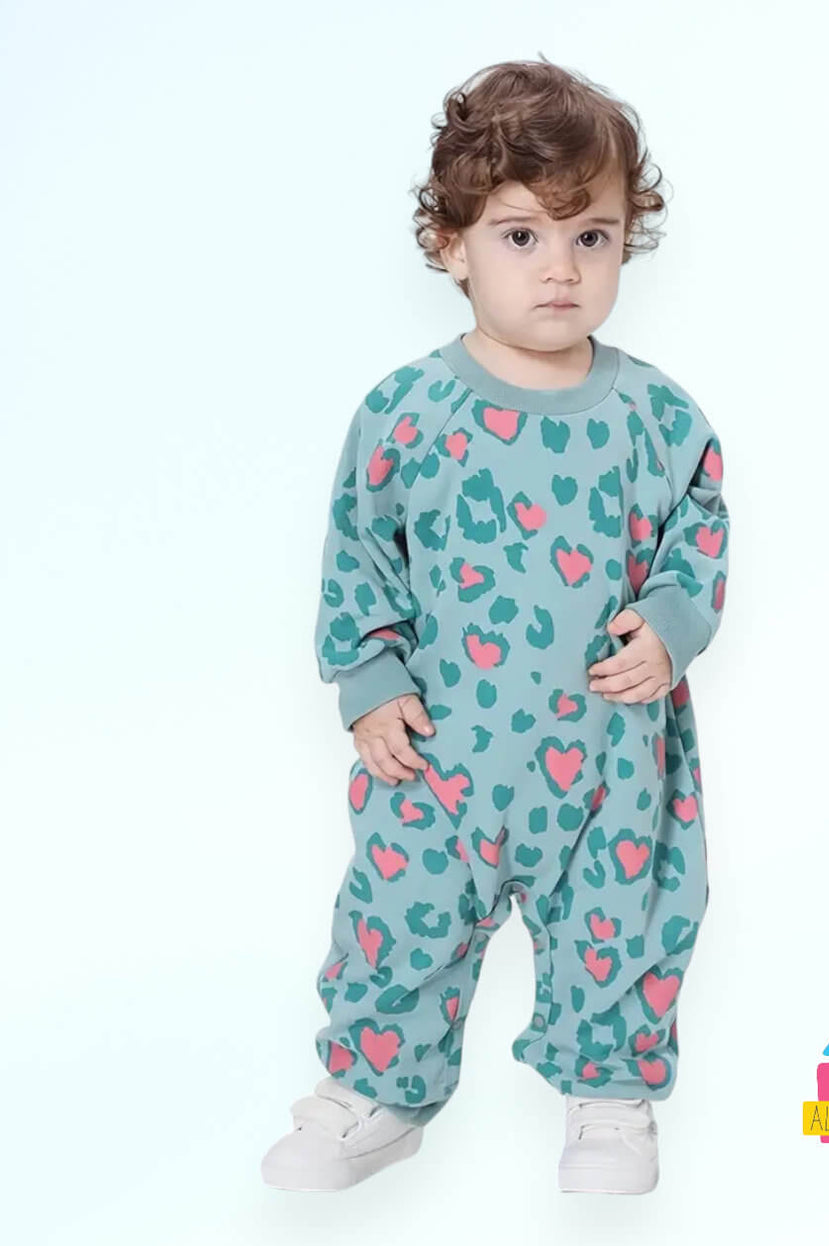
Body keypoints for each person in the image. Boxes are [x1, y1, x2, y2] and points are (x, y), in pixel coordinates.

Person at [261, 53, 730, 1196]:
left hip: (609, 754)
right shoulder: (407, 412)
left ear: (626, 242)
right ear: (451, 244)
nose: (561, 268)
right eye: (522, 235)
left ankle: (611, 1096)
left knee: (625, 918)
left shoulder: (659, 417)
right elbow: (360, 551)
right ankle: (376, 1089)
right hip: (441, 753)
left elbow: (700, 531)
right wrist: (370, 680)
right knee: (397, 917)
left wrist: (671, 624)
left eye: (592, 236)